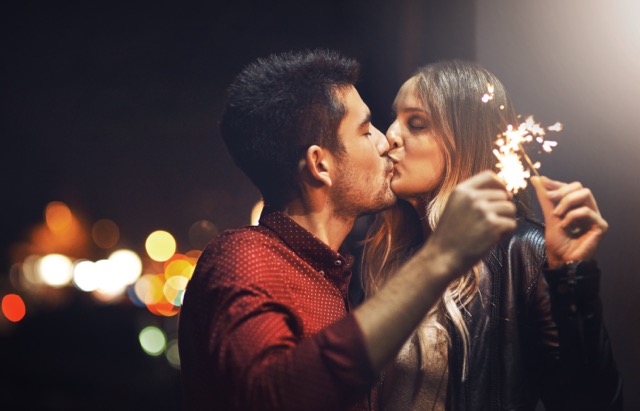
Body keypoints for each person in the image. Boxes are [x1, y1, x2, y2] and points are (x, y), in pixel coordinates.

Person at [178, 49, 520, 411]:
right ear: (320, 164)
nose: (385, 141)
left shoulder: (335, 273)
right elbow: (271, 396)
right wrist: (441, 257)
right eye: (366, 130)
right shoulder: (244, 256)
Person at [363, 60, 623, 410]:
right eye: (394, 118)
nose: (389, 135)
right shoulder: (385, 254)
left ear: (465, 141)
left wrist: (571, 277)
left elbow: (592, 403)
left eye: (417, 123)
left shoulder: (523, 251)